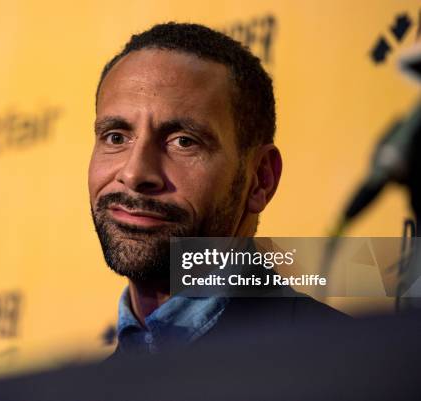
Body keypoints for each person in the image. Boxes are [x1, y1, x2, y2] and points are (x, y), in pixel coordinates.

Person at [88, 22, 347, 356]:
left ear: (261, 179)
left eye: (184, 142)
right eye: (116, 137)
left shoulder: (345, 363)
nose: (135, 172)